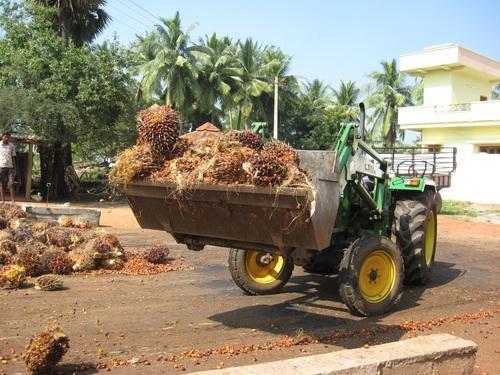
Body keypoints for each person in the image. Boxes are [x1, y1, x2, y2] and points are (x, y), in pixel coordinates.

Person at [0, 131, 16, 203]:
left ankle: (12, 200)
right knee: (2, 183)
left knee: (11, 183)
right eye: (5, 137)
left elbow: (13, 157)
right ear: (2, 136)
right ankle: (3, 201)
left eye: (8, 137)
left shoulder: (11, 146)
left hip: (10, 167)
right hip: (1, 167)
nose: (7, 138)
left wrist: (14, 168)